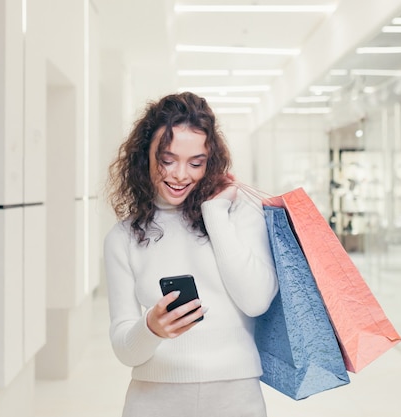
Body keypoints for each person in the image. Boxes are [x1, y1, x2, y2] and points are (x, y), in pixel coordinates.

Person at [103, 91, 278, 416]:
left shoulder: (239, 215)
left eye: (195, 163)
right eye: (167, 160)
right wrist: (151, 328)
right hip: (154, 401)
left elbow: (256, 301)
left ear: (210, 161)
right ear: (145, 157)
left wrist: (214, 213)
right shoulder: (123, 237)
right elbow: (123, 348)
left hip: (236, 399)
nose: (181, 175)